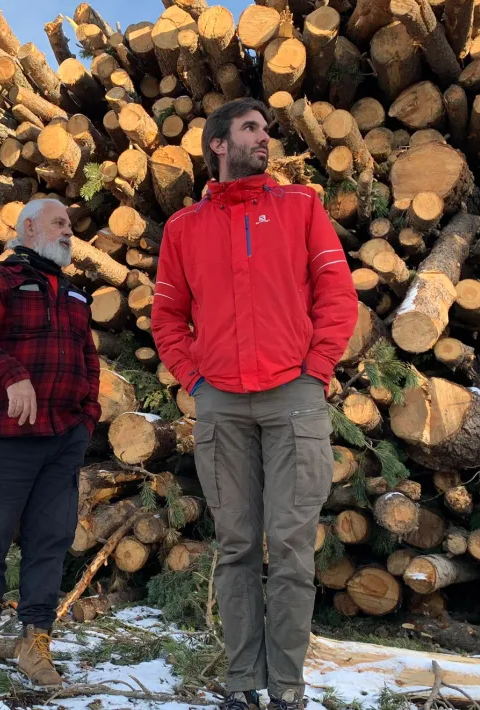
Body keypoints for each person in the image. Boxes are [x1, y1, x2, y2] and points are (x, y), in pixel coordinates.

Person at [151, 98, 357, 710]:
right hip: (222, 407)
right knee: (237, 547)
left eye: (266, 130)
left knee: (292, 547)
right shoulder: (182, 229)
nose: (264, 138)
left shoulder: (300, 207)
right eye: (250, 129)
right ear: (218, 144)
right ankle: (243, 682)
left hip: (293, 397)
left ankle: (288, 686)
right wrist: (195, 381)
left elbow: (337, 294)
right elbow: (166, 316)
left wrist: (317, 368)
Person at [0, 198, 101, 689]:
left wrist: (87, 420)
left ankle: (35, 644)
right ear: (30, 227)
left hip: (63, 440)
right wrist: (13, 374)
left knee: (50, 544)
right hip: (8, 437)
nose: (68, 232)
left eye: (70, 226)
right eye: (60, 223)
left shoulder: (74, 294)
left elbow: (89, 362)